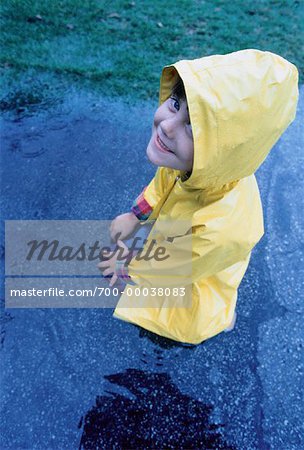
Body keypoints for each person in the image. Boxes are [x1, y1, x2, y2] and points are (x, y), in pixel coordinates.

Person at [98, 49, 298, 345]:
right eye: (175, 103)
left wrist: (125, 267)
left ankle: (220, 319)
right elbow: (163, 183)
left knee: (199, 303)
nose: (167, 125)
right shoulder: (194, 166)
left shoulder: (221, 227)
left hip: (200, 261)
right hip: (191, 248)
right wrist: (137, 214)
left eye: (192, 127)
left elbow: (171, 267)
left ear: (225, 150)